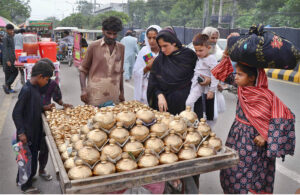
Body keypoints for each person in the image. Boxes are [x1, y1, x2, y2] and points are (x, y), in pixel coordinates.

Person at [211, 34, 295, 193]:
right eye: (236, 73)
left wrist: (266, 136)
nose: (235, 77)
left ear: (252, 78)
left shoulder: (265, 96)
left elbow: (285, 117)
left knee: (255, 174)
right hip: (237, 137)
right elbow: (222, 72)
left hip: (255, 143)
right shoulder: (242, 88)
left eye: (240, 74)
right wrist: (228, 50)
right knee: (231, 172)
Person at [147, 27, 211, 194]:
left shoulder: (189, 56)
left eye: (165, 46)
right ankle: (169, 187)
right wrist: (159, 94)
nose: (162, 50)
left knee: (190, 146)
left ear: (175, 43)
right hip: (168, 111)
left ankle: (191, 186)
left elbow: (204, 72)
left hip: (188, 108)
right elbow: (153, 81)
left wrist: (206, 81)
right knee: (168, 147)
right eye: (160, 47)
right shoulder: (161, 59)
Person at [12, 60, 54, 193]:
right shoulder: (26, 90)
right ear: (40, 76)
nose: (47, 82)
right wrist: (21, 133)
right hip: (27, 133)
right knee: (26, 161)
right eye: (46, 79)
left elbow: (33, 107)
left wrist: (43, 107)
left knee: (32, 158)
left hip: (35, 131)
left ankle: (28, 178)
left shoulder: (35, 88)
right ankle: (25, 186)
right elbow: (16, 113)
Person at [79, 16, 125, 106]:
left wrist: (122, 92)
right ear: (103, 30)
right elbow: (83, 70)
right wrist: (83, 90)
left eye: (114, 34)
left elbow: (120, 73)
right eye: (109, 33)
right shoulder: (93, 46)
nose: (112, 36)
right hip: (95, 95)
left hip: (114, 95)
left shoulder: (121, 48)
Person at [186, 34, 218, 112]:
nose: (198, 53)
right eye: (196, 50)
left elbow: (215, 75)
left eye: (200, 50)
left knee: (207, 110)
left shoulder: (211, 59)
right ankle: (191, 118)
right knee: (189, 103)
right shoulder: (198, 57)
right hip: (196, 83)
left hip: (206, 86)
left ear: (208, 48)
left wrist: (212, 90)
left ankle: (195, 120)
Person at [133, 25, 161, 104]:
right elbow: (136, 72)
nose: (151, 41)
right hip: (145, 91)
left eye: (154, 38)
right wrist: (146, 68)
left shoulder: (164, 51)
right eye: (149, 38)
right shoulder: (144, 51)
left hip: (160, 90)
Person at [2, 24, 18, 94]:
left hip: (12, 58)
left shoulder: (11, 36)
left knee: (9, 74)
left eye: (12, 30)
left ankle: (8, 88)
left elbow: (12, 48)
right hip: (7, 59)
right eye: (10, 30)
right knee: (15, 72)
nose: (12, 31)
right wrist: (7, 60)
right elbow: (5, 49)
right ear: (7, 30)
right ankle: (7, 85)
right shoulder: (5, 37)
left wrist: (15, 57)